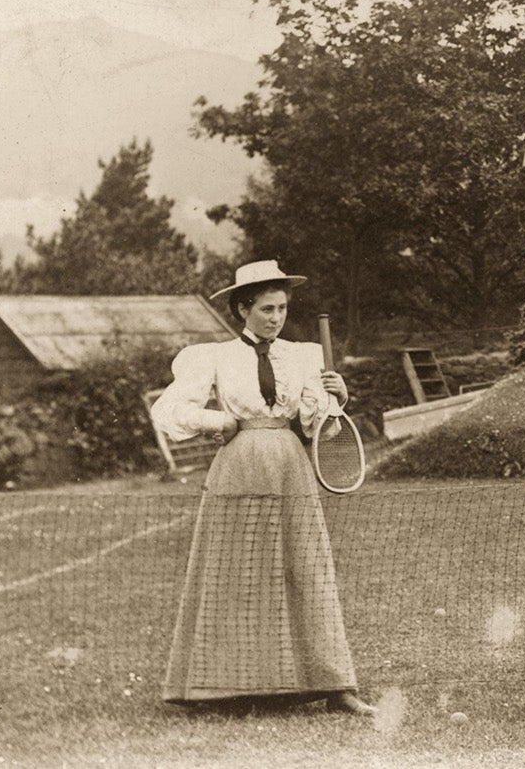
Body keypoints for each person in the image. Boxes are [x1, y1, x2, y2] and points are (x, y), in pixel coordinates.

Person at [150, 260, 374, 716]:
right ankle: (232, 689)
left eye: (282, 308)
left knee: (307, 569)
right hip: (240, 465)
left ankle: (335, 686)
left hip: (291, 465)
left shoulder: (305, 356)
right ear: (242, 309)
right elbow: (168, 410)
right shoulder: (213, 357)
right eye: (266, 308)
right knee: (240, 576)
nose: (275, 317)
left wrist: (338, 397)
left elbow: (320, 428)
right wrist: (221, 420)